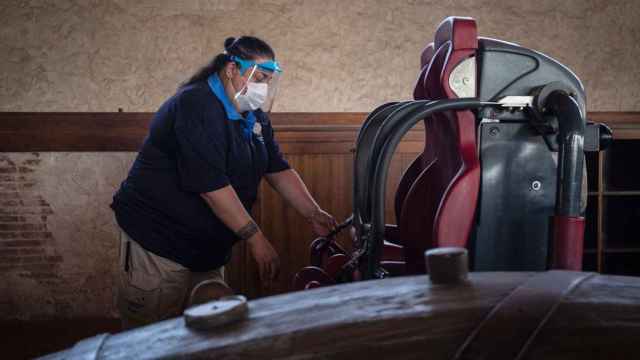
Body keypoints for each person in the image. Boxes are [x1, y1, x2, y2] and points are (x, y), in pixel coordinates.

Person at [111, 36, 337, 329]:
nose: (262, 88)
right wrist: (257, 240)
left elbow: (277, 168)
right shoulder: (195, 105)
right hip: (158, 238)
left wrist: (313, 212)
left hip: (206, 244)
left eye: (268, 80)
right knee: (153, 331)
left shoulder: (253, 117)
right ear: (232, 68)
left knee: (211, 327)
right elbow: (211, 187)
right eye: (258, 77)